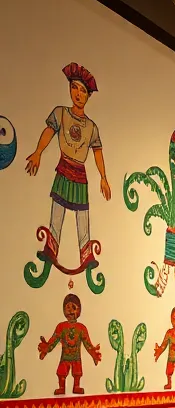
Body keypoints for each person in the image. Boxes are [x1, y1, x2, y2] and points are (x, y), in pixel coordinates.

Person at [25, 64, 111, 269]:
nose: (78, 94)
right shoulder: (61, 113)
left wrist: (104, 177)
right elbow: (49, 131)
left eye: (83, 91)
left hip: (80, 172)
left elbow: (97, 151)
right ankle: (52, 246)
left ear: (88, 96)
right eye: (74, 88)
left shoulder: (91, 127)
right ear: (69, 89)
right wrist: (38, 152)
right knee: (58, 205)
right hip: (64, 167)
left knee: (82, 211)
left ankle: (85, 253)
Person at [37, 294, 102, 395]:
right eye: (67, 307)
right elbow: (53, 340)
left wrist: (94, 354)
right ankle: (61, 388)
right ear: (63, 310)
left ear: (79, 310)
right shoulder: (61, 327)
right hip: (65, 357)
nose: (71, 311)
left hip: (76, 357)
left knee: (77, 372)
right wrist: (46, 349)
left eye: (74, 308)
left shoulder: (81, 328)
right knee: (61, 372)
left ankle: (76, 387)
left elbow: (87, 343)